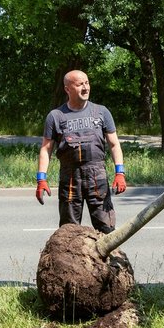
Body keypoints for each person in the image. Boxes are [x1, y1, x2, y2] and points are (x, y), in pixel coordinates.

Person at [35, 70, 126, 233]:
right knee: (69, 231)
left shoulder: (101, 112)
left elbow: (114, 144)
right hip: (69, 178)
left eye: (87, 83)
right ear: (67, 89)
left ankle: (109, 258)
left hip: (97, 177)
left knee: (107, 229)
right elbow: (45, 149)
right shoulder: (56, 116)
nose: (85, 88)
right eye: (79, 84)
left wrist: (120, 172)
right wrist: (41, 178)